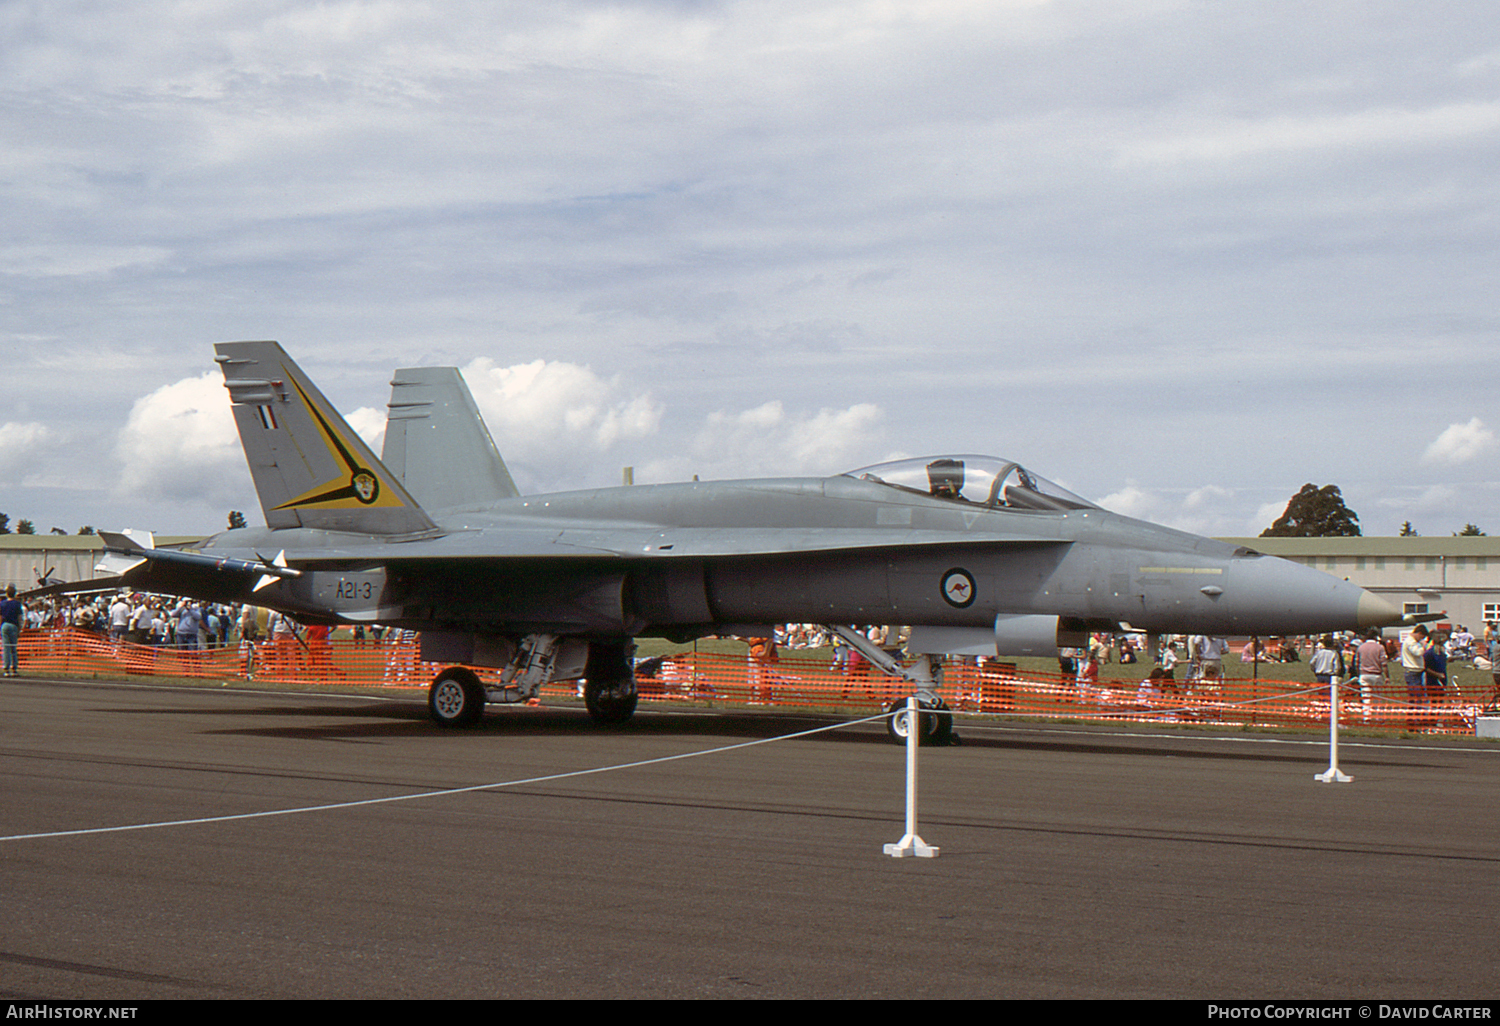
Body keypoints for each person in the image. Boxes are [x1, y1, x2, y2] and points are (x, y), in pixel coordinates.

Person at [1355, 629, 1389, 723]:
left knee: (1366, 697)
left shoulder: (1361, 647)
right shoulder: (1380, 647)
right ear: (1375, 637)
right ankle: (1379, 717)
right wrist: (1387, 676)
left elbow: (1357, 663)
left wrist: (1359, 674)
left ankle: (1367, 717)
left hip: (1364, 674)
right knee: (1378, 697)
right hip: (1376, 674)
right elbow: (1384, 663)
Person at [1401, 626, 1430, 730]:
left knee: (1417, 699)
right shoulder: (1411, 642)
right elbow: (1418, 652)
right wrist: (1425, 644)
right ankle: (1414, 722)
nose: (1421, 639)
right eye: (1422, 637)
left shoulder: (1413, 641)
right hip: (1413, 673)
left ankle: (1416, 720)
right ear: (1419, 633)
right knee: (1416, 699)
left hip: (1416, 672)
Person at [1, 584, 23, 677]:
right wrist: (20, 628)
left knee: (6, 648)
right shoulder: (17, 604)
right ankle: (14, 668)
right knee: (13, 648)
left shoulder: (2, 603)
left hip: (5, 624)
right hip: (14, 625)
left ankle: (6, 669)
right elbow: (20, 617)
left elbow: (0, 617)